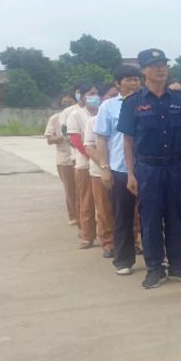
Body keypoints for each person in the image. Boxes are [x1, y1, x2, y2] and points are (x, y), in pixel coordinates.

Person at [118, 48, 181, 289]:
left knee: (176, 216)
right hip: (148, 168)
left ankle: (177, 265)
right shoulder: (133, 103)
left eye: (163, 64)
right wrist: (131, 173)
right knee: (150, 218)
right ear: (144, 70)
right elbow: (128, 141)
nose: (161, 69)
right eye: (155, 65)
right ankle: (155, 268)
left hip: (175, 166)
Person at [94, 64, 142, 275]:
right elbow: (102, 139)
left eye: (136, 79)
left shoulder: (146, 103)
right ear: (118, 83)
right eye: (128, 79)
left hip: (146, 167)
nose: (133, 83)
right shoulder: (109, 106)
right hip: (120, 169)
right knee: (123, 215)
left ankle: (155, 256)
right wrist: (105, 168)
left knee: (149, 214)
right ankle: (123, 260)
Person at [83, 82, 118, 258]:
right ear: (103, 98)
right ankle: (108, 243)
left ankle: (132, 241)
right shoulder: (93, 121)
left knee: (129, 208)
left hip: (124, 171)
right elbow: (89, 147)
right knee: (104, 209)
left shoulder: (127, 116)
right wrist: (106, 166)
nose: (115, 99)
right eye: (111, 95)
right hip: (100, 172)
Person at [65, 81, 98, 250]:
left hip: (102, 164)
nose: (94, 97)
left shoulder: (102, 112)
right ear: (83, 97)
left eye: (96, 93)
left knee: (105, 202)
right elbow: (76, 140)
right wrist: (93, 156)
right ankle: (87, 235)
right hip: (85, 164)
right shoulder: (76, 115)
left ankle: (108, 234)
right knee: (86, 201)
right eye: (91, 94)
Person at [45, 93, 78, 226]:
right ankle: (73, 216)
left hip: (80, 158)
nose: (67, 105)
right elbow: (49, 139)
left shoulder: (80, 116)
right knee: (70, 189)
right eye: (64, 103)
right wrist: (63, 137)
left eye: (70, 102)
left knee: (83, 189)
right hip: (64, 159)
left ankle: (85, 215)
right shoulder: (55, 118)